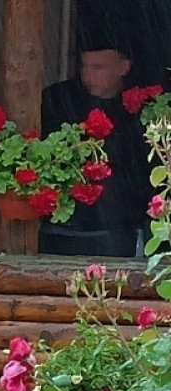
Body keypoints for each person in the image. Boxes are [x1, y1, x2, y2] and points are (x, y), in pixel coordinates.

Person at [38, 35, 155, 257]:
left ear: (124, 67)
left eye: (98, 67)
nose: (88, 75)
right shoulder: (57, 99)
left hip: (121, 228)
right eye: (84, 67)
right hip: (62, 227)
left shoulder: (143, 109)